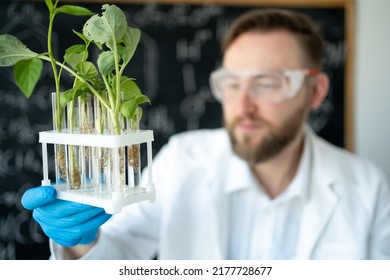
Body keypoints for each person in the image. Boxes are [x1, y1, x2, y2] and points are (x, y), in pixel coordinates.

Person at [21, 8, 390, 260]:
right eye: (231, 83)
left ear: (316, 91)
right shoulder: (182, 161)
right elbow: (119, 252)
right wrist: (82, 243)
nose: (242, 104)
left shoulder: (368, 188)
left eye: (268, 82)